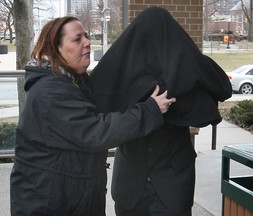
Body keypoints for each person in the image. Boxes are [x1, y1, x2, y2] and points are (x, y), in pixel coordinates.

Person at [10, 16, 176, 216]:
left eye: (86, 36)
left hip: (70, 196)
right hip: (49, 202)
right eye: (77, 39)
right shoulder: (51, 91)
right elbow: (96, 132)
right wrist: (151, 109)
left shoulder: (72, 81)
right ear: (55, 48)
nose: (87, 42)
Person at [88, 7, 232, 216]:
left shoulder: (186, 69)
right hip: (132, 187)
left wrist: (184, 64)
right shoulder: (125, 76)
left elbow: (220, 88)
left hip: (171, 189)